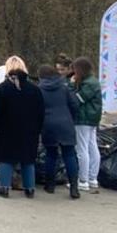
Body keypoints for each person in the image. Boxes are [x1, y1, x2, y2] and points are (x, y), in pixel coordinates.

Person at [0, 57, 44, 198]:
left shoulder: (1, 89)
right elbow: (41, 112)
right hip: (30, 130)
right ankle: (30, 189)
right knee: (28, 159)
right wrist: (38, 129)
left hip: (7, 129)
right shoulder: (35, 89)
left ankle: (4, 187)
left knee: (6, 158)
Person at [37, 64, 82, 198]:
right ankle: (74, 187)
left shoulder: (39, 89)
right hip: (66, 123)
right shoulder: (65, 87)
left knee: (51, 155)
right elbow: (75, 105)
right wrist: (71, 118)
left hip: (48, 125)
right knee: (69, 155)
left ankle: (50, 185)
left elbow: (37, 109)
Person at [72, 57, 102, 194]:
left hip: (83, 118)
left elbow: (78, 99)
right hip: (92, 119)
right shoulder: (93, 81)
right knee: (92, 146)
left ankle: (83, 180)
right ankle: (92, 178)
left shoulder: (88, 84)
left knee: (82, 149)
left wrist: (72, 85)